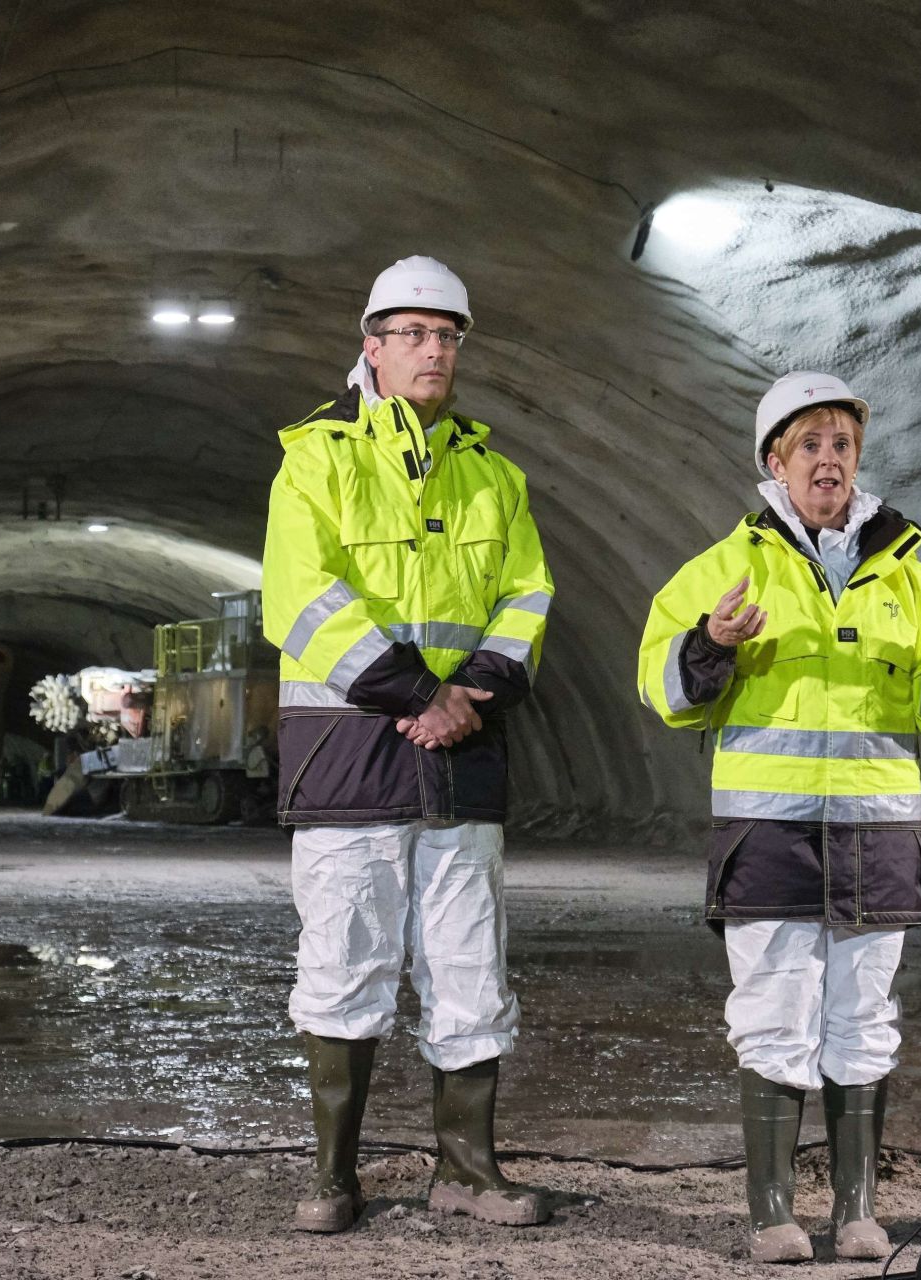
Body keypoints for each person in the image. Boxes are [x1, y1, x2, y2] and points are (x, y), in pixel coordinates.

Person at [638, 372, 921, 1263]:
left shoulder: (918, 578)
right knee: (775, 1011)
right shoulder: (723, 570)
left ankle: (856, 1212)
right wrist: (709, 646)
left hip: (878, 841)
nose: (829, 459)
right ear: (774, 462)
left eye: (843, 443)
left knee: (862, 1020)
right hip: (769, 839)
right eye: (810, 444)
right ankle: (772, 1212)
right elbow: (661, 688)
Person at [261, 256, 555, 1233]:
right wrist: (421, 691)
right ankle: (333, 1175)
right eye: (414, 333)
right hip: (351, 753)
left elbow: (527, 599)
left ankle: (467, 1167)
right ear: (371, 345)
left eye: (448, 335)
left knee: (470, 963)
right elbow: (304, 600)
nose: (434, 350)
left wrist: (471, 691)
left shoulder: (494, 474)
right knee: (344, 956)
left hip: (461, 752)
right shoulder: (317, 458)